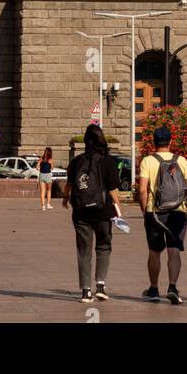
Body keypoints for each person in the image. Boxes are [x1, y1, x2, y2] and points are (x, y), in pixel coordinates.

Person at [63, 124, 121, 302]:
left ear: (86, 141)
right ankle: (101, 286)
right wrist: (118, 207)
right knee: (103, 246)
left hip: (81, 212)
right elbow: (112, 189)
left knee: (84, 250)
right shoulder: (107, 161)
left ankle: (86, 291)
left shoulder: (77, 161)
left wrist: (65, 199)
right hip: (103, 212)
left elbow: (69, 185)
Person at [138, 126, 187, 305]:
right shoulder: (181, 160)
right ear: (170, 141)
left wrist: (144, 208)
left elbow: (142, 189)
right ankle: (172, 287)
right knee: (174, 250)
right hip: (177, 211)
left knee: (154, 252)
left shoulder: (148, 161)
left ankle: (153, 289)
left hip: (155, 212)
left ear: (154, 141)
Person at [37, 147, 54, 211]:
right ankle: (48, 204)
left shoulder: (41, 159)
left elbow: (36, 167)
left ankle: (43, 206)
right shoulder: (50, 160)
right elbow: (52, 168)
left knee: (42, 191)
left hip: (41, 175)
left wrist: (40, 168)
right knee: (49, 190)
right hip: (48, 175)